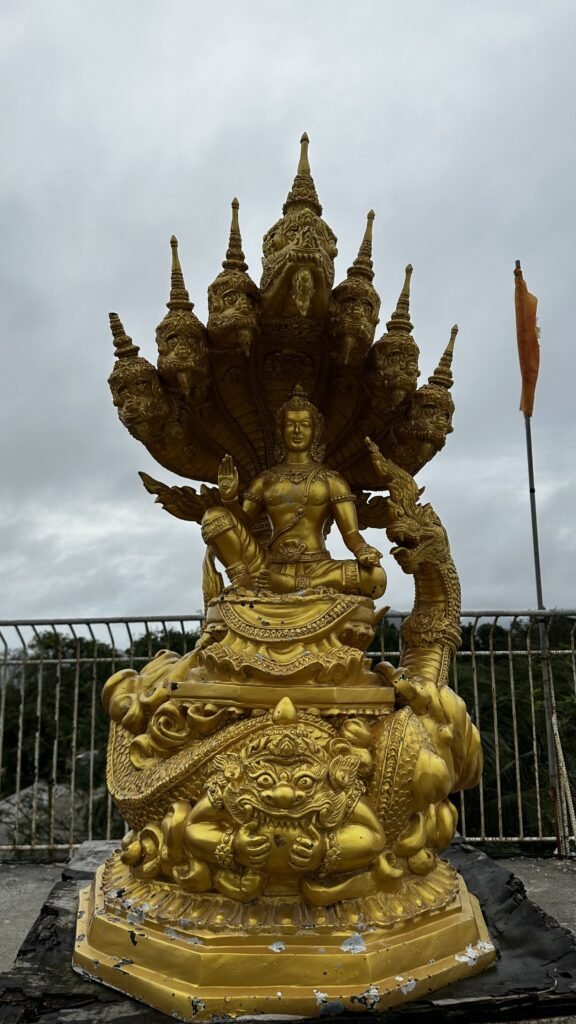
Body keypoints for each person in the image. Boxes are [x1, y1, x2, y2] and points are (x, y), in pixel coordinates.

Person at [201, 387, 386, 598]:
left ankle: (292, 585)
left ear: (315, 431)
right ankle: (243, 582)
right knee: (213, 516)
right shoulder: (265, 480)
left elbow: (351, 533)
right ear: (280, 431)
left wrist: (363, 551)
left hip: (317, 567)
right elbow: (244, 527)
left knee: (375, 577)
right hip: (268, 566)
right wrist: (230, 500)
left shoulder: (331, 480)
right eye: (290, 424)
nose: (297, 431)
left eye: (305, 425)